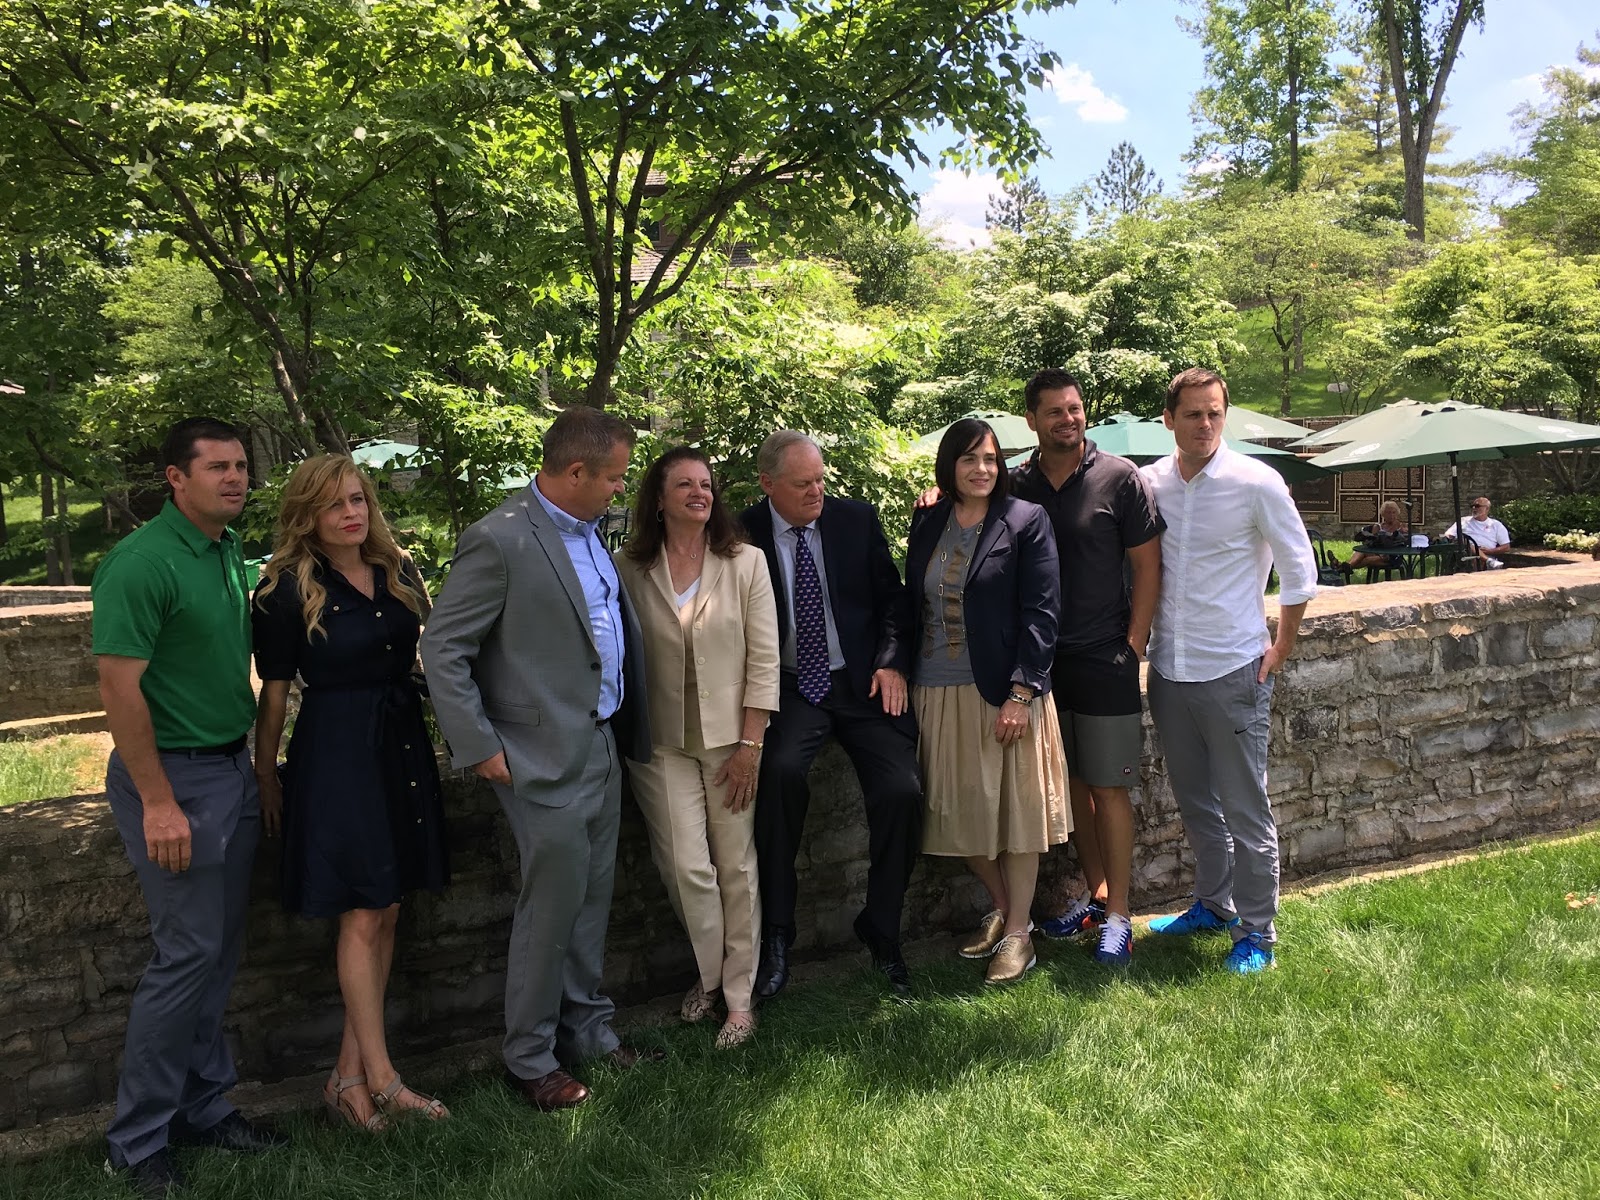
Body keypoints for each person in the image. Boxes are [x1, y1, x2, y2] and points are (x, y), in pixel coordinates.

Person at [420, 407, 659, 1113]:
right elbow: (443, 649)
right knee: (549, 909)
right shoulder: (499, 539)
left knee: (591, 902)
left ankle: (590, 1033)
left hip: (601, 744)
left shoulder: (592, 533)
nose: (621, 488)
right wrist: (481, 747)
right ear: (575, 471)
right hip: (536, 758)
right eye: (613, 477)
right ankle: (529, 1057)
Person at [92, 418, 286, 1199]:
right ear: (176, 478)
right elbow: (119, 689)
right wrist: (158, 802)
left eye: (241, 465)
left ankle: (204, 1109)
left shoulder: (225, 552)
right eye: (217, 467)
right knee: (185, 957)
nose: (235, 478)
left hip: (230, 770)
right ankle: (137, 1141)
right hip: (174, 780)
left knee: (218, 953)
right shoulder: (140, 564)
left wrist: (258, 773)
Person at [251, 455, 450, 1130]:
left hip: (400, 745)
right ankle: (385, 1079)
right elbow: (274, 695)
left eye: (358, 499)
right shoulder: (283, 589)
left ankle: (347, 1077)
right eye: (335, 504)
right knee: (362, 913)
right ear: (307, 514)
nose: (351, 513)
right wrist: (266, 774)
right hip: (337, 754)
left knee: (387, 908)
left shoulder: (397, 569)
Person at [1140, 368, 1318, 974]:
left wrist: (1282, 645)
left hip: (1234, 669)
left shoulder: (1256, 482)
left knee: (1246, 809)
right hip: (1169, 671)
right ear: (1169, 419)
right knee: (1195, 803)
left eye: (1215, 412)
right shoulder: (1150, 484)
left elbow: (1299, 570)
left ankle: (1258, 933)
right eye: (1193, 413)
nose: (1206, 424)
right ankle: (1214, 905)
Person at [741, 431, 923, 1000]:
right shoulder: (741, 533)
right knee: (778, 776)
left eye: (821, 480)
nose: (816, 492)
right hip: (790, 687)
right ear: (768, 484)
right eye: (802, 484)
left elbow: (894, 600)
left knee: (902, 791)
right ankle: (777, 935)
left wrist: (891, 662)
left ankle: (882, 928)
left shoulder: (854, 520)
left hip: (862, 682)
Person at [615, 447, 780, 1049]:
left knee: (736, 867)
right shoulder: (628, 567)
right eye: (684, 484)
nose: (699, 493)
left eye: (706, 484)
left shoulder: (745, 562)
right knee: (686, 868)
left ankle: (738, 999)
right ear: (658, 500)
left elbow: (764, 658)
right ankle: (712, 975)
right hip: (661, 743)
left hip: (731, 742)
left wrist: (750, 745)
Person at [905, 418, 1069, 984]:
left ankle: (1020, 934)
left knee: (1017, 815)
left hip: (1005, 691)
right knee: (952, 812)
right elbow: (911, 601)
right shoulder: (928, 519)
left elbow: (1042, 613)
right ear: (949, 465)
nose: (982, 469)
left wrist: (1022, 693)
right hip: (934, 687)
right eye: (969, 458)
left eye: (991, 459)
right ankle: (1004, 908)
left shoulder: (1025, 520)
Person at [1014, 369, 1162, 968]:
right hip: (1042, 665)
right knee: (1072, 784)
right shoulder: (1016, 484)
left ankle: (1121, 916)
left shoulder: (1119, 478)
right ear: (1032, 420)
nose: (1068, 419)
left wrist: (1133, 644)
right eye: (1054, 411)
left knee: (1109, 785)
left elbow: (1148, 567)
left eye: (1074, 408)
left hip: (1105, 657)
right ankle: (1097, 897)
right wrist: (935, 494)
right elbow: (967, 503)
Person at [1339, 500, 1408, 577]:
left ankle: (1342, 567)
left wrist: (1403, 533)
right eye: (1388, 513)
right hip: (1376, 552)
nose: (1391, 515)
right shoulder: (1378, 527)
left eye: (1393, 512)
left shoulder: (1401, 527)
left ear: (1397, 513)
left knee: (1367, 560)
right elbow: (1371, 541)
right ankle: (1347, 566)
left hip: (1391, 557)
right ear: (1383, 514)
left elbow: (1404, 541)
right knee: (1361, 552)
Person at [1443, 496, 1511, 569]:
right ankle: (1488, 561)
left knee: (1476, 557)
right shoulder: (1463, 521)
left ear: (1487, 508)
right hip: (1466, 554)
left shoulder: (1496, 525)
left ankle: (1487, 561)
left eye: (1477, 506)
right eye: (1472, 506)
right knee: (1466, 542)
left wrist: (1490, 551)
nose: (1474, 508)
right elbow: (1448, 535)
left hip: (1488, 554)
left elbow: (1506, 547)